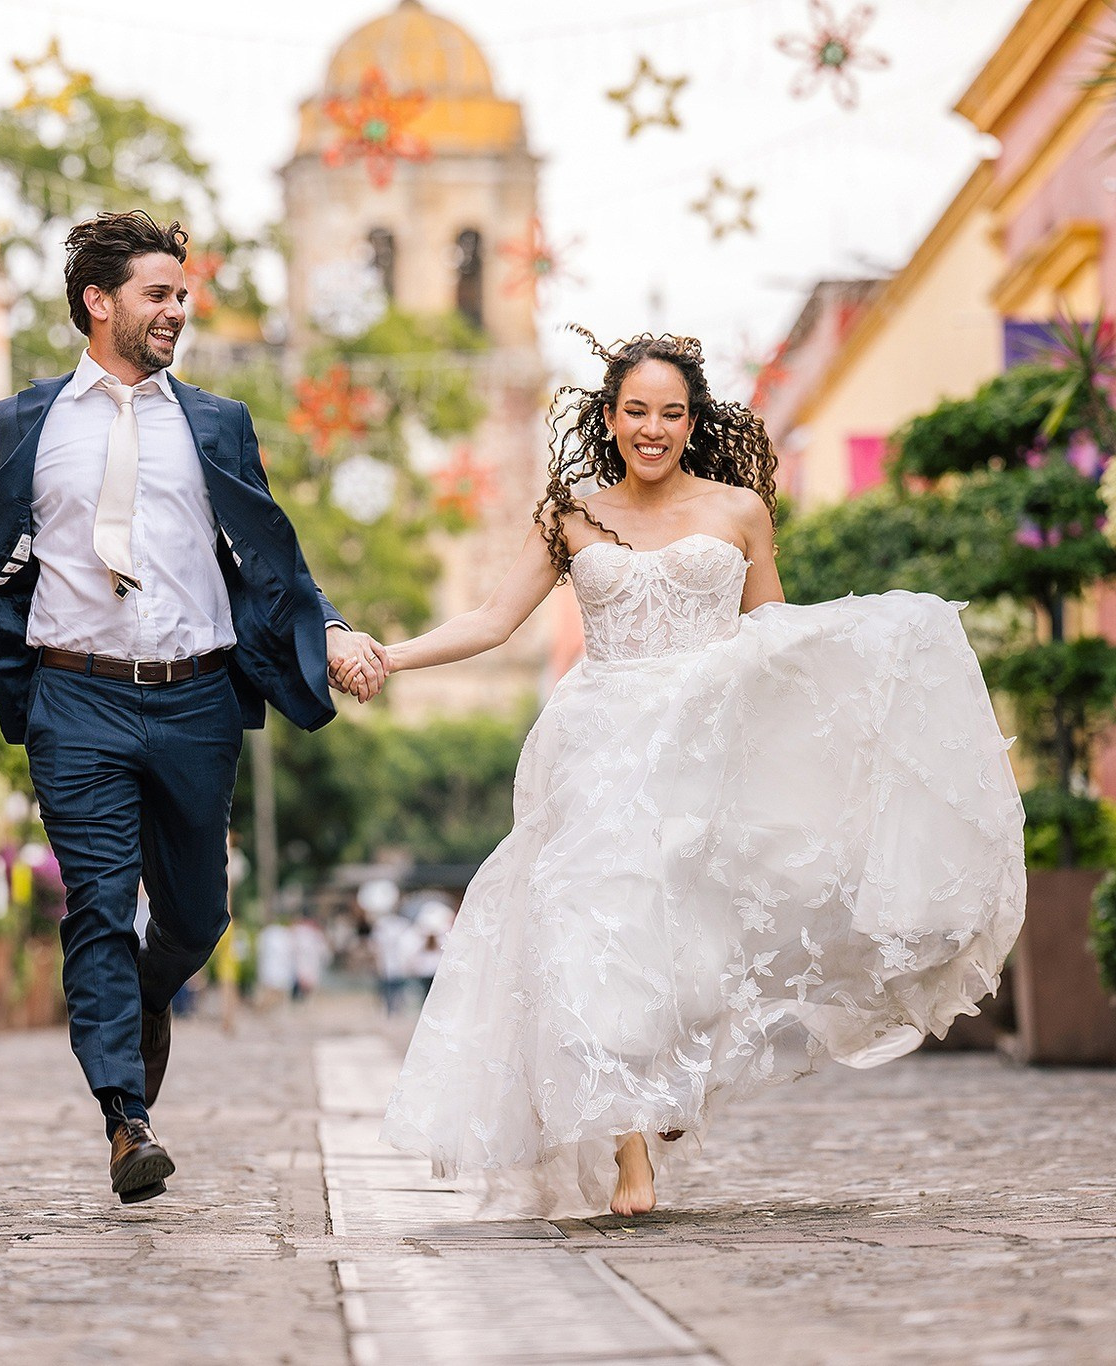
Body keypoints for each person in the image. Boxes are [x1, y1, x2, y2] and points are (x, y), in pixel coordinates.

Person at [342, 330, 1025, 1220]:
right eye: (636, 412)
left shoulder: (739, 511)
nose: (653, 429)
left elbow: (775, 636)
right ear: (610, 418)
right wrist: (389, 657)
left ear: (692, 421)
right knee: (595, 924)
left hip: (710, 742)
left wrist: (885, 648)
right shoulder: (570, 514)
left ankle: (672, 1073)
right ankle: (631, 1151)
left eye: (671, 413)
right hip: (600, 743)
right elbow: (493, 618)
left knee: (701, 937)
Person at [0, 211, 386, 1206]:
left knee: (198, 910)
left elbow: (271, 558)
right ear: (98, 301)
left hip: (197, 698)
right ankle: (126, 1119)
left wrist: (326, 629)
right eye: (159, 293)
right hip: (74, 696)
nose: (178, 309)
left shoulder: (215, 424)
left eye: (181, 293)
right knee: (99, 905)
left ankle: (145, 997)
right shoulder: (22, 423)